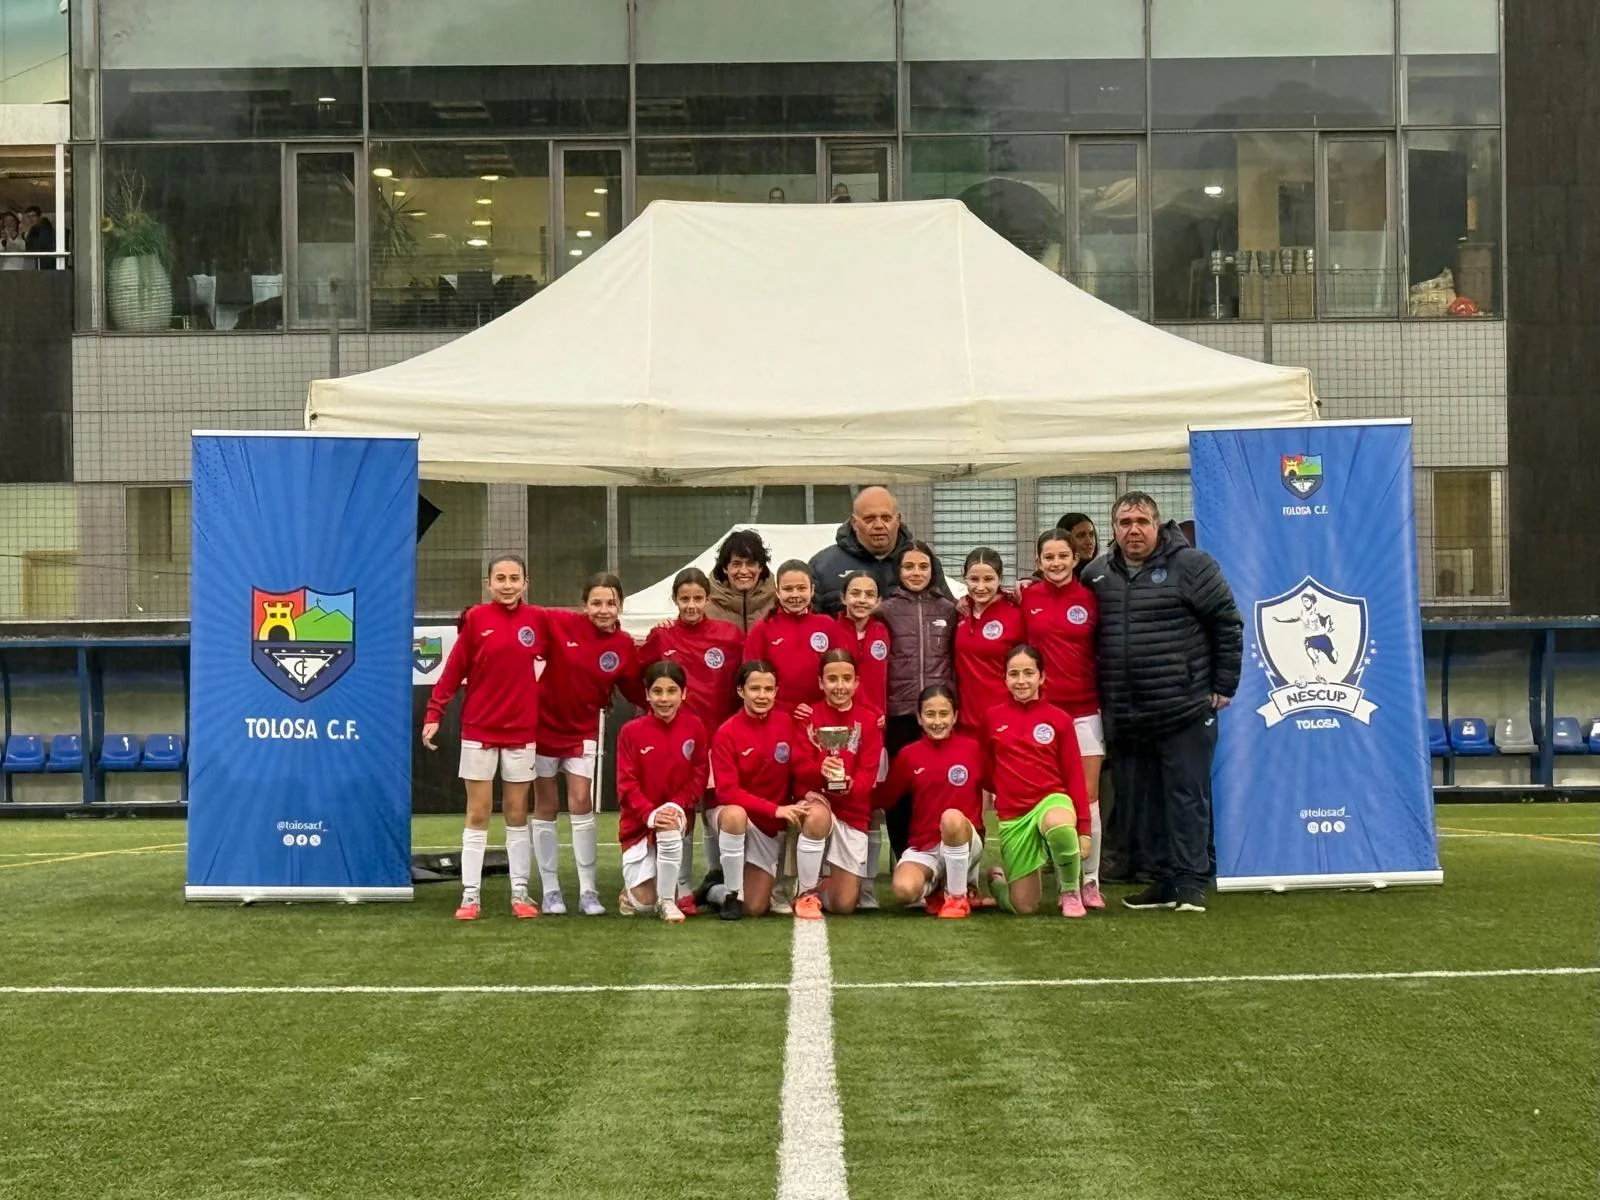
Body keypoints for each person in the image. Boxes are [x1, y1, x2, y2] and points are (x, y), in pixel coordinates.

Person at [1082, 492, 1242, 914]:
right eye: (1124, 523)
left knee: (1186, 796)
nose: (1133, 530)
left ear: (1158, 524)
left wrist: (1224, 684)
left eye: (1142, 521)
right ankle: (1161, 881)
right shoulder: (1096, 574)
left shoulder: (1193, 565)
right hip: (1128, 714)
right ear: (1114, 529)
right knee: (1142, 802)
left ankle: (1190, 882)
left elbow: (1227, 623)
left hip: (1183, 708)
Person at [421, 554, 546, 921]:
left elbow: (568, 657)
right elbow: (453, 669)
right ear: (488, 583)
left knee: (517, 813)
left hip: (521, 732)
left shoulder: (538, 620)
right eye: (500, 578)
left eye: (514, 578)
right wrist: (434, 712)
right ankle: (470, 896)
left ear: (526, 582)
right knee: (478, 813)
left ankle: (520, 893)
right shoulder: (476, 619)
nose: (508, 585)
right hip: (479, 730)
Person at [532, 572, 644, 917]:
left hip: (583, 732)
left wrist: (668, 708)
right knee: (546, 804)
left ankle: (588, 891)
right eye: (596, 603)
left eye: (611, 603)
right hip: (542, 728)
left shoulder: (624, 644)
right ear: (584, 605)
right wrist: (473, 618)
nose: (603, 609)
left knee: (581, 800)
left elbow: (634, 689)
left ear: (620, 605)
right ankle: (551, 891)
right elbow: (522, 616)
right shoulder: (561, 623)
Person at [639, 567, 744, 911]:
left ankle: (718, 877)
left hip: (718, 740)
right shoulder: (660, 636)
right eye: (685, 599)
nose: (691, 605)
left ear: (708, 599)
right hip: (676, 742)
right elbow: (640, 678)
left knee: (715, 809)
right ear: (675, 599)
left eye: (698, 598)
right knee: (681, 808)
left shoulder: (729, 636)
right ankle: (681, 884)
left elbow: (742, 681)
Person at [1020, 528, 1106, 910]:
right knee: (1050, 797)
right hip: (1044, 714)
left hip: (1086, 710)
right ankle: (1064, 883)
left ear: (1075, 559)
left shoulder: (1091, 598)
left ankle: (1091, 882)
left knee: (1088, 798)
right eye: (1049, 557)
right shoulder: (1026, 598)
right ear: (1038, 562)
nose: (1056, 563)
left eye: (1062, 556)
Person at [981, 645, 1093, 917]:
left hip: (1050, 800)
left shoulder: (1060, 720)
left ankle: (1070, 891)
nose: (1021, 681)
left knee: (1058, 823)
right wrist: (1007, 790)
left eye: (1029, 673)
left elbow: (1074, 776)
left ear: (1042, 677)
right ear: (1004, 678)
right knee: (1023, 907)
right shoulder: (992, 718)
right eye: (1014, 674)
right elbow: (985, 769)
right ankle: (997, 883)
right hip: (1014, 815)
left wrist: (1084, 830)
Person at [702, 660, 816, 919]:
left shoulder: (787, 723)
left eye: (768, 689)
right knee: (735, 814)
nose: (762, 695)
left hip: (770, 824)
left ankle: (712, 890)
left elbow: (800, 767)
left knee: (754, 908)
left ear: (776, 692)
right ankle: (731, 895)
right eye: (755, 688)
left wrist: (817, 780)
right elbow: (727, 792)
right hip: (738, 817)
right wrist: (775, 809)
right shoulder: (726, 733)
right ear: (741, 690)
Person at [876, 541, 958, 866]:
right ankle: (904, 856)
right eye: (909, 566)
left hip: (939, 714)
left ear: (932, 569)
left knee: (939, 786)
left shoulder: (949, 609)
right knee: (900, 790)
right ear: (898, 571)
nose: (916, 573)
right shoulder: (884, 611)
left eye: (923, 566)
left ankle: (943, 854)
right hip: (900, 713)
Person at [875, 685, 986, 918]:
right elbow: (885, 797)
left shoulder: (972, 749)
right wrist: (844, 790)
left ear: (955, 716)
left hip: (963, 839)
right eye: (930, 714)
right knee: (904, 890)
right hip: (924, 846)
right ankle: (937, 891)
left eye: (944, 714)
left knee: (951, 818)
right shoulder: (909, 755)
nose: (937, 722)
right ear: (919, 718)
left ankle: (957, 898)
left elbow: (1001, 785)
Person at [793, 649, 884, 917]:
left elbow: (868, 772)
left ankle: (821, 881)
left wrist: (850, 785)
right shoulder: (808, 717)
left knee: (844, 905)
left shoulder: (868, 720)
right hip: (818, 801)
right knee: (817, 816)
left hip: (853, 811)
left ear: (857, 683)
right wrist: (819, 770)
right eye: (832, 679)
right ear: (821, 682)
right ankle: (806, 893)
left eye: (847, 679)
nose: (840, 686)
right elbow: (798, 765)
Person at [615, 661, 709, 923]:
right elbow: (626, 783)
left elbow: (699, 775)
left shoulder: (695, 727)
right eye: (657, 691)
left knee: (669, 824)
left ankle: (667, 901)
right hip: (639, 823)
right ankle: (640, 892)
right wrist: (650, 813)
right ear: (647, 694)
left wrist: (674, 806)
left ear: (684, 693)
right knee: (643, 904)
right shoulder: (630, 732)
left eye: (671, 691)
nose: (664, 699)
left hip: (676, 816)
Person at [809, 486, 951, 615]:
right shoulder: (823, 566)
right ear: (854, 523)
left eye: (886, 518)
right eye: (869, 519)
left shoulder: (923, 562)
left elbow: (947, 611)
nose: (878, 525)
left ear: (898, 520)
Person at [743, 559, 835, 717]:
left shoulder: (827, 625)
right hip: (777, 716)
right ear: (777, 592)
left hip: (821, 715)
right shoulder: (763, 630)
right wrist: (784, 709)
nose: (795, 595)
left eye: (801, 588)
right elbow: (750, 679)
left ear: (812, 590)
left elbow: (843, 670)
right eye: (788, 589)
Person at [953, 547, 1026, 737]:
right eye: (974, 579)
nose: (980, 587)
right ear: (964, 577)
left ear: (1000, 579)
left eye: (988, 579)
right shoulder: (959, 613)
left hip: (1004, 720)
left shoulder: (1015, 615)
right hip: (965, 722)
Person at [832, 570, 890, 717]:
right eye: (855, 593)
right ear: (843, 597)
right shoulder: (831, 630)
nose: (862, 600)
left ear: (878, 601)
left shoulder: (883, 631)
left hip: (876, 717)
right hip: (839, 717)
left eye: (869, 595)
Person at [705, 528, 777, 633]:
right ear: (725, 568)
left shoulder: (778, 602)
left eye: (750, 564)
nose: (743, 571)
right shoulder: (704, 605)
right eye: (736, 564)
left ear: (761, 567)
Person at [1057, 512, 1099, 579]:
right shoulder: (1054, 577)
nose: (1089, 542)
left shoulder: (1101, 575)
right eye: (1081, 535)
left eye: (1091, 535)